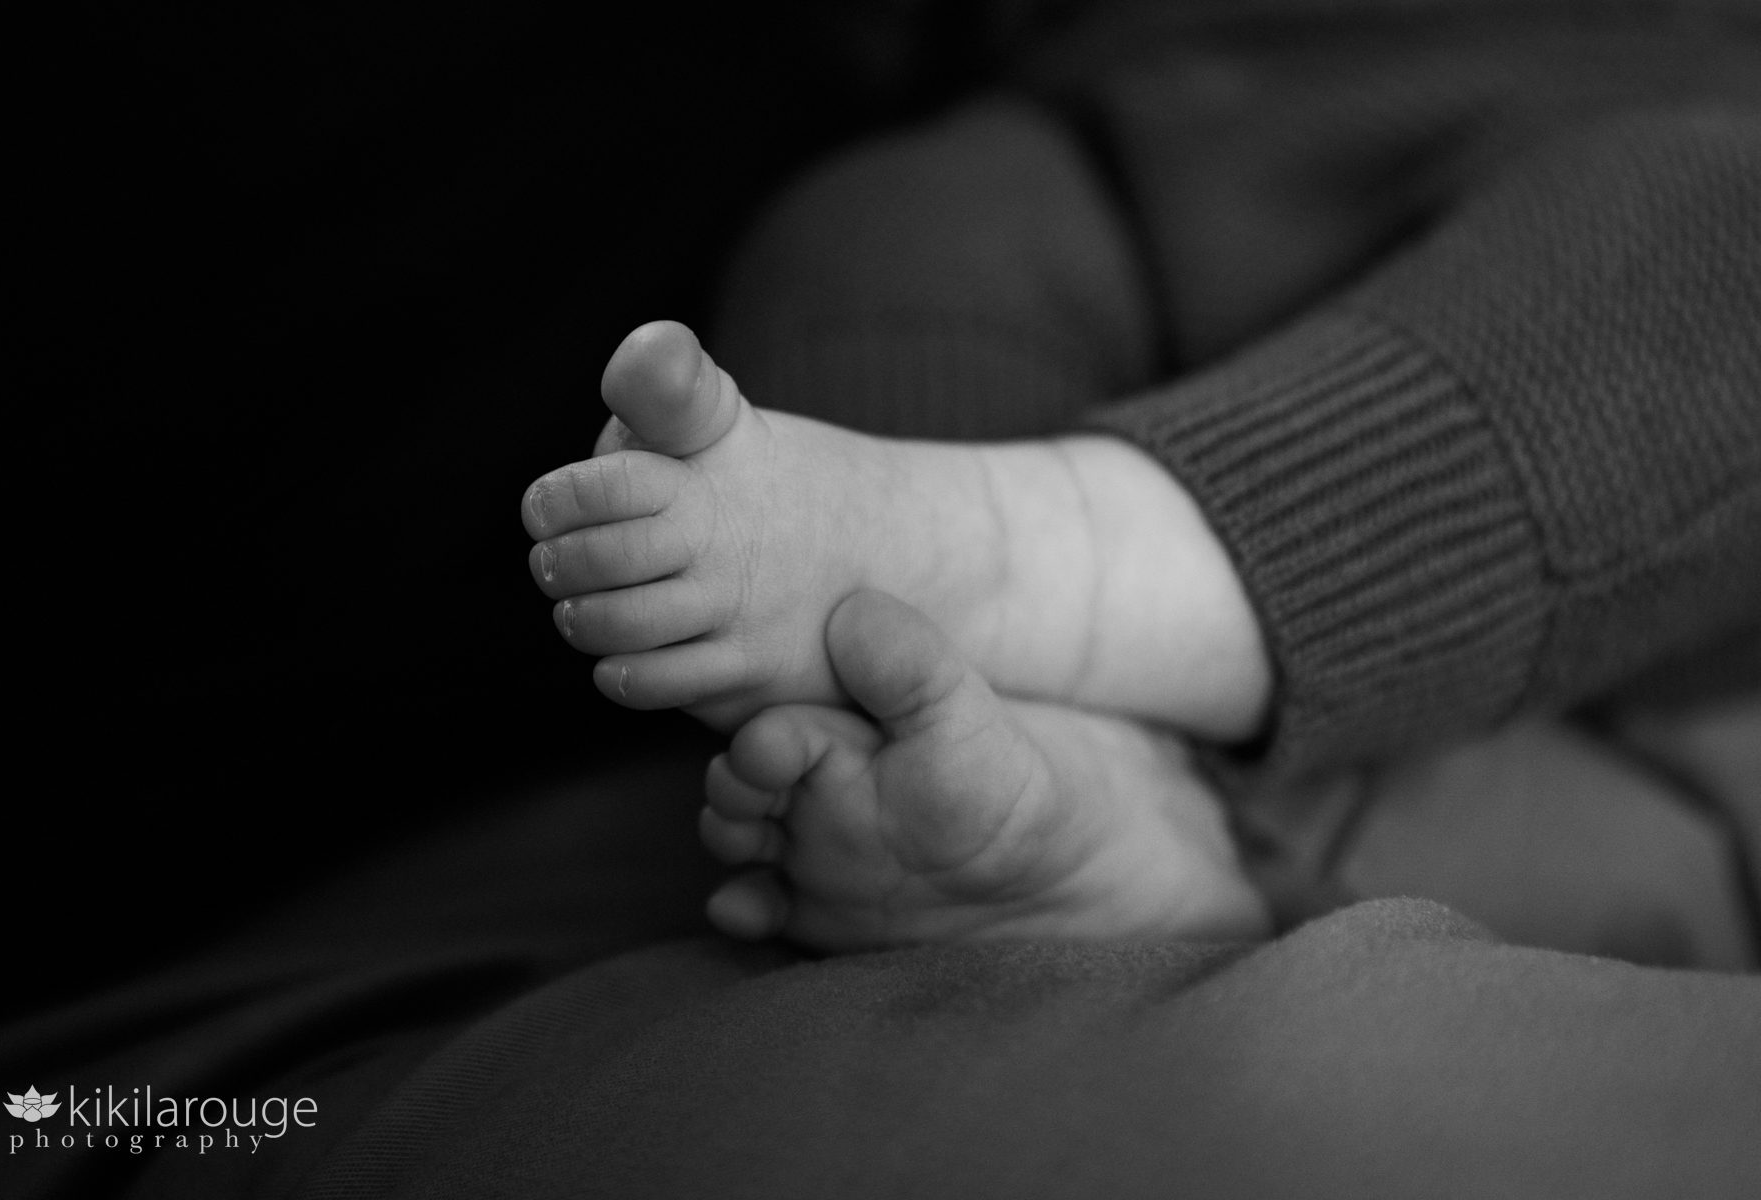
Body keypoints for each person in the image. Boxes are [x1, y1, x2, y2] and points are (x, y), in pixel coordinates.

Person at [522, 2, 1761, 961]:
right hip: (1128, 116)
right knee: (888, 227)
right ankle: (1031, 776)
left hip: (1630, 103)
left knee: (1724, 232)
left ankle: (1051, 551)